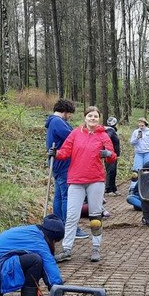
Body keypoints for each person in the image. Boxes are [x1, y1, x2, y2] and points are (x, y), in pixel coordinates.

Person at [51, 106, 116, 263]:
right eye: (90, 116)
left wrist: (108, 154)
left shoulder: (103, 136)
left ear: (99, 119)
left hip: (96, 180)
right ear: (85, 117)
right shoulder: (75, 133)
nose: (93, 118)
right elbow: (66, 151)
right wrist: (56, 153)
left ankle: (95, 248)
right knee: (72, 216)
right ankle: (66, 249)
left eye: (95, 116)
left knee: (95, 215)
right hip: (76, 180)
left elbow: (112, 156)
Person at [45, 99, 89, 239]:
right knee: (67, 197)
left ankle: (58, 226)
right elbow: (73, 137)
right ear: (65, 111)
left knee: (59, 196)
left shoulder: (54, 122)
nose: (70, 116)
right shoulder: (57, 122)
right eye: (69, 114)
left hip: (58, 163)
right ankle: (70, 228)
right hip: (63, 164)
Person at [104, 117, 121, 195]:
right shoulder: (110, 130)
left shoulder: (113, 130)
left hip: (114, 155)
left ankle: (114, 188)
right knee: (110, 171)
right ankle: (108, 189)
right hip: (110, 154)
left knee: (114, 171)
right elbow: (107, 137)